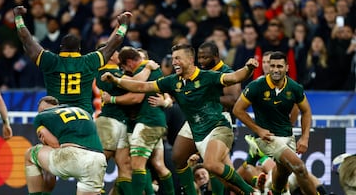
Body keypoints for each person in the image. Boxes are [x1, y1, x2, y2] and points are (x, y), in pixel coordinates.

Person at [101, 44, 260, 195]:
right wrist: (117, 81)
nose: (174, 62)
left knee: (212, 165)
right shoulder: (173, 81)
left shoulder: (208, 76)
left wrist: (248, 68)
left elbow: (234, 77)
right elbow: (143, 87)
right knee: (178, 158)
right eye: (173, 59)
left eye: (178, 58)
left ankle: (249, 190)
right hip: (194, 126)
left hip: (216, 126)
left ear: (190, 60)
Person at [13, 5, 131, 115]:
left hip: (57, 115)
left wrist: (18, 17)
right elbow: (114, 43)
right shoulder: (89, 61)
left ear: (60, 48)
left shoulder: (50, 60)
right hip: (83, 115)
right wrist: (123, 25)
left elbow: (26, 39)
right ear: (79, 49)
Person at [233, 51, 317, 195]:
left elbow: (306, 111)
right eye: (272, 66)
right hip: (267, 138)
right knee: (299, 168)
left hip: (287, 137)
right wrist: (258, 129)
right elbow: (237, 110)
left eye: (279, 66)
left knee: (282, 176)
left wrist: (304, 137)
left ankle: (275, 191)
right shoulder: (257, 86)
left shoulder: (294, 87)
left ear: (287, 68)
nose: (275, 70)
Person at [171, 41, 241, 195]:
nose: (201, 61)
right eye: (199, 57)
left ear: (216, 56)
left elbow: (232, 100)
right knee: (179, 157)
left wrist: (204, 97)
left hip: (220, 121)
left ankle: (249, 190)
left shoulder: (226, 72)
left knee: (217, 166)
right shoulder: (199, 73)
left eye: (205, 57)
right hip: (198, 120)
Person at [95, 50, 158, 194]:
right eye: (117, 52)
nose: (120, 55)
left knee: (125, 165)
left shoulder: (116, 72)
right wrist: (148, 67)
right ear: (110, 55)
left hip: (122, 122)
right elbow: (135, 84)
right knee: (100, 161)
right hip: (109, 121)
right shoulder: (106, 73)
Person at [117, 46, 175, 195]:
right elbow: (165, 93)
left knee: (136, 165)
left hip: (147, 122)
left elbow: (137, 94)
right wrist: (165, 101)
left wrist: (111, 98)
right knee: (157, 164)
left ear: (130, 62)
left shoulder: (141, 72)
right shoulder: (155, 71)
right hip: (154, 122)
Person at [24, 96, 107, 195]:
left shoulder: (42, 117)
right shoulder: (81, 111)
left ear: (41, 110)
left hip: (72, 157)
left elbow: (55, 144)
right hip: (98, 159)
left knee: (30, 154)